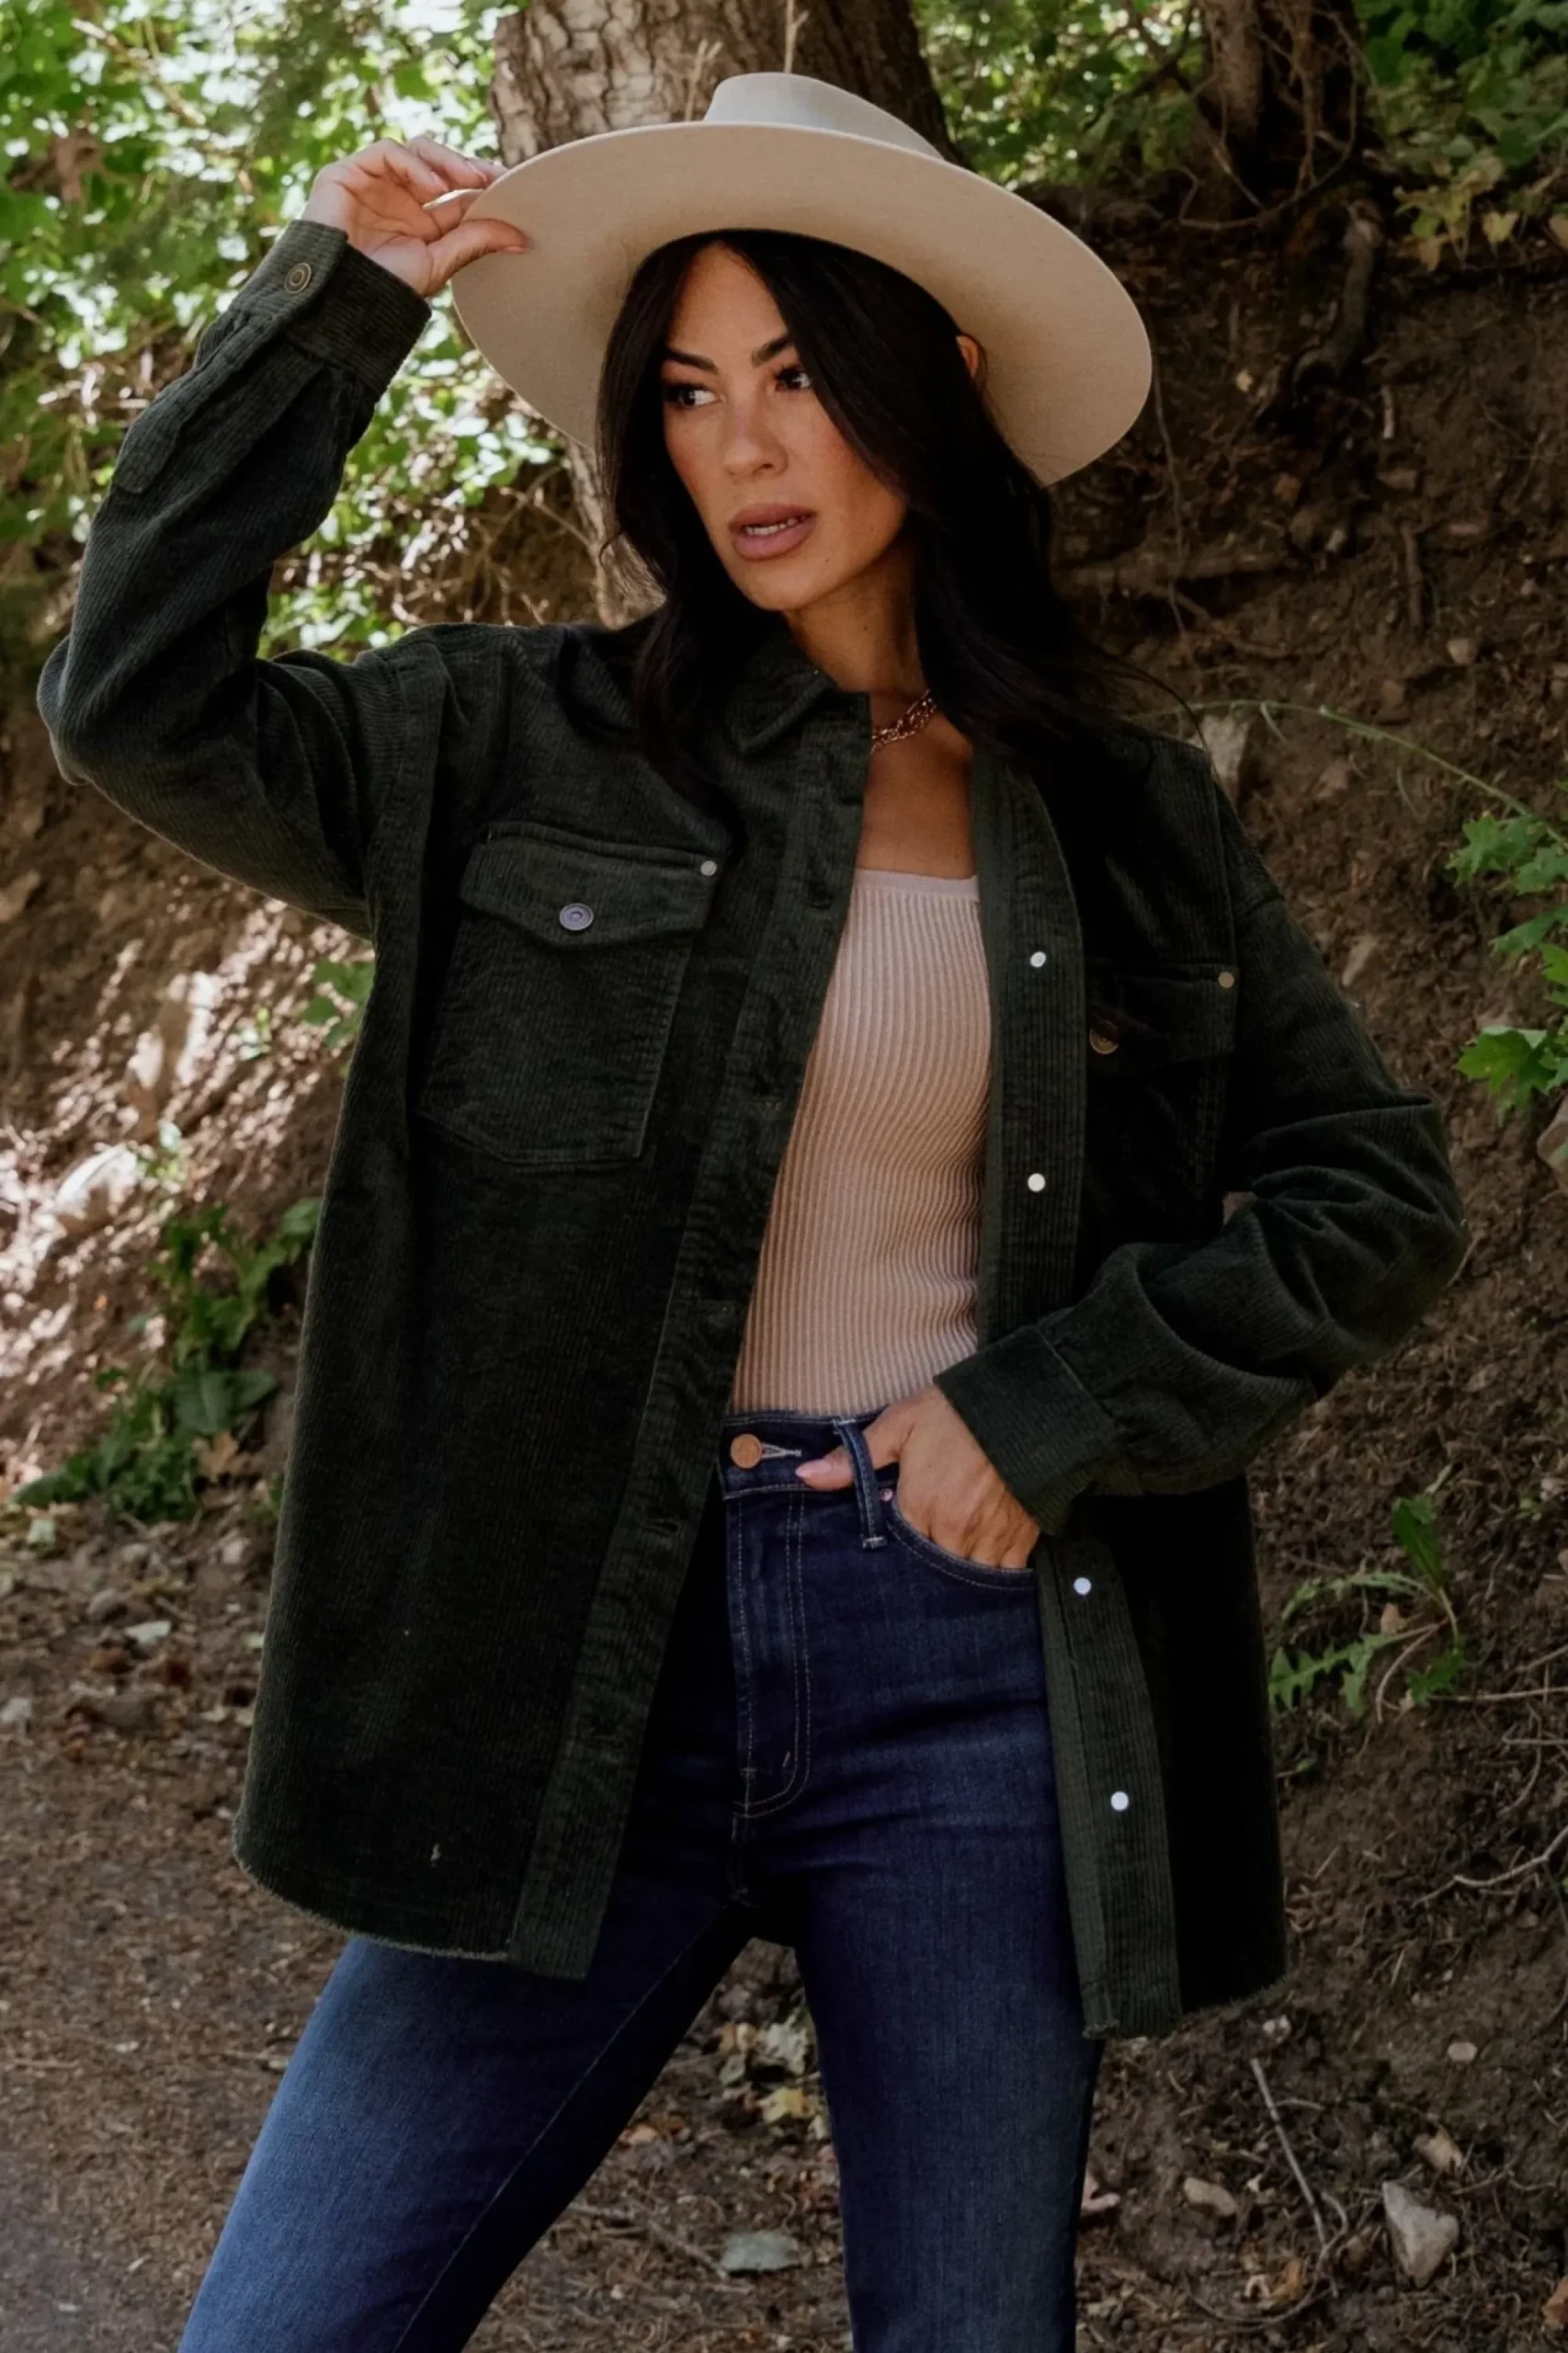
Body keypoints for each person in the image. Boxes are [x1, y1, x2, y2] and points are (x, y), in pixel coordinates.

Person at [36, 71, 1469, 2353]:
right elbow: (133, 700)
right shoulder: (510, 743)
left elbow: (1374, 1187)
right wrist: (336, 307)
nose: (742, 448)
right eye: (688, 393)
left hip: (965, 1666)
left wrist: (1054, 1403)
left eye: (798, 374)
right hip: (582, 1658)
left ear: (942, 381)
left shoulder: (1119, 820)